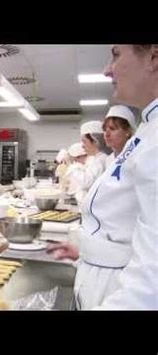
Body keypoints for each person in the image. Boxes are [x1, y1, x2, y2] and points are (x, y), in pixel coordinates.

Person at [47, 44, 158, 310]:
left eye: (116, 54)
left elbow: (151, 281)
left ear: (154, 56)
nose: (108, 69)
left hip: (118, 294)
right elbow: (126, 228)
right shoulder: (148, 131)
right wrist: (87, 251)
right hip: (100, 276)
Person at [65, 121, 110, 206]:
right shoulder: (95, 159)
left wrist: (72, 166)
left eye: (84, 142)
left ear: (96, 141)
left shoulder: (101, 160)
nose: (82, 146)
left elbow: (86, 182)